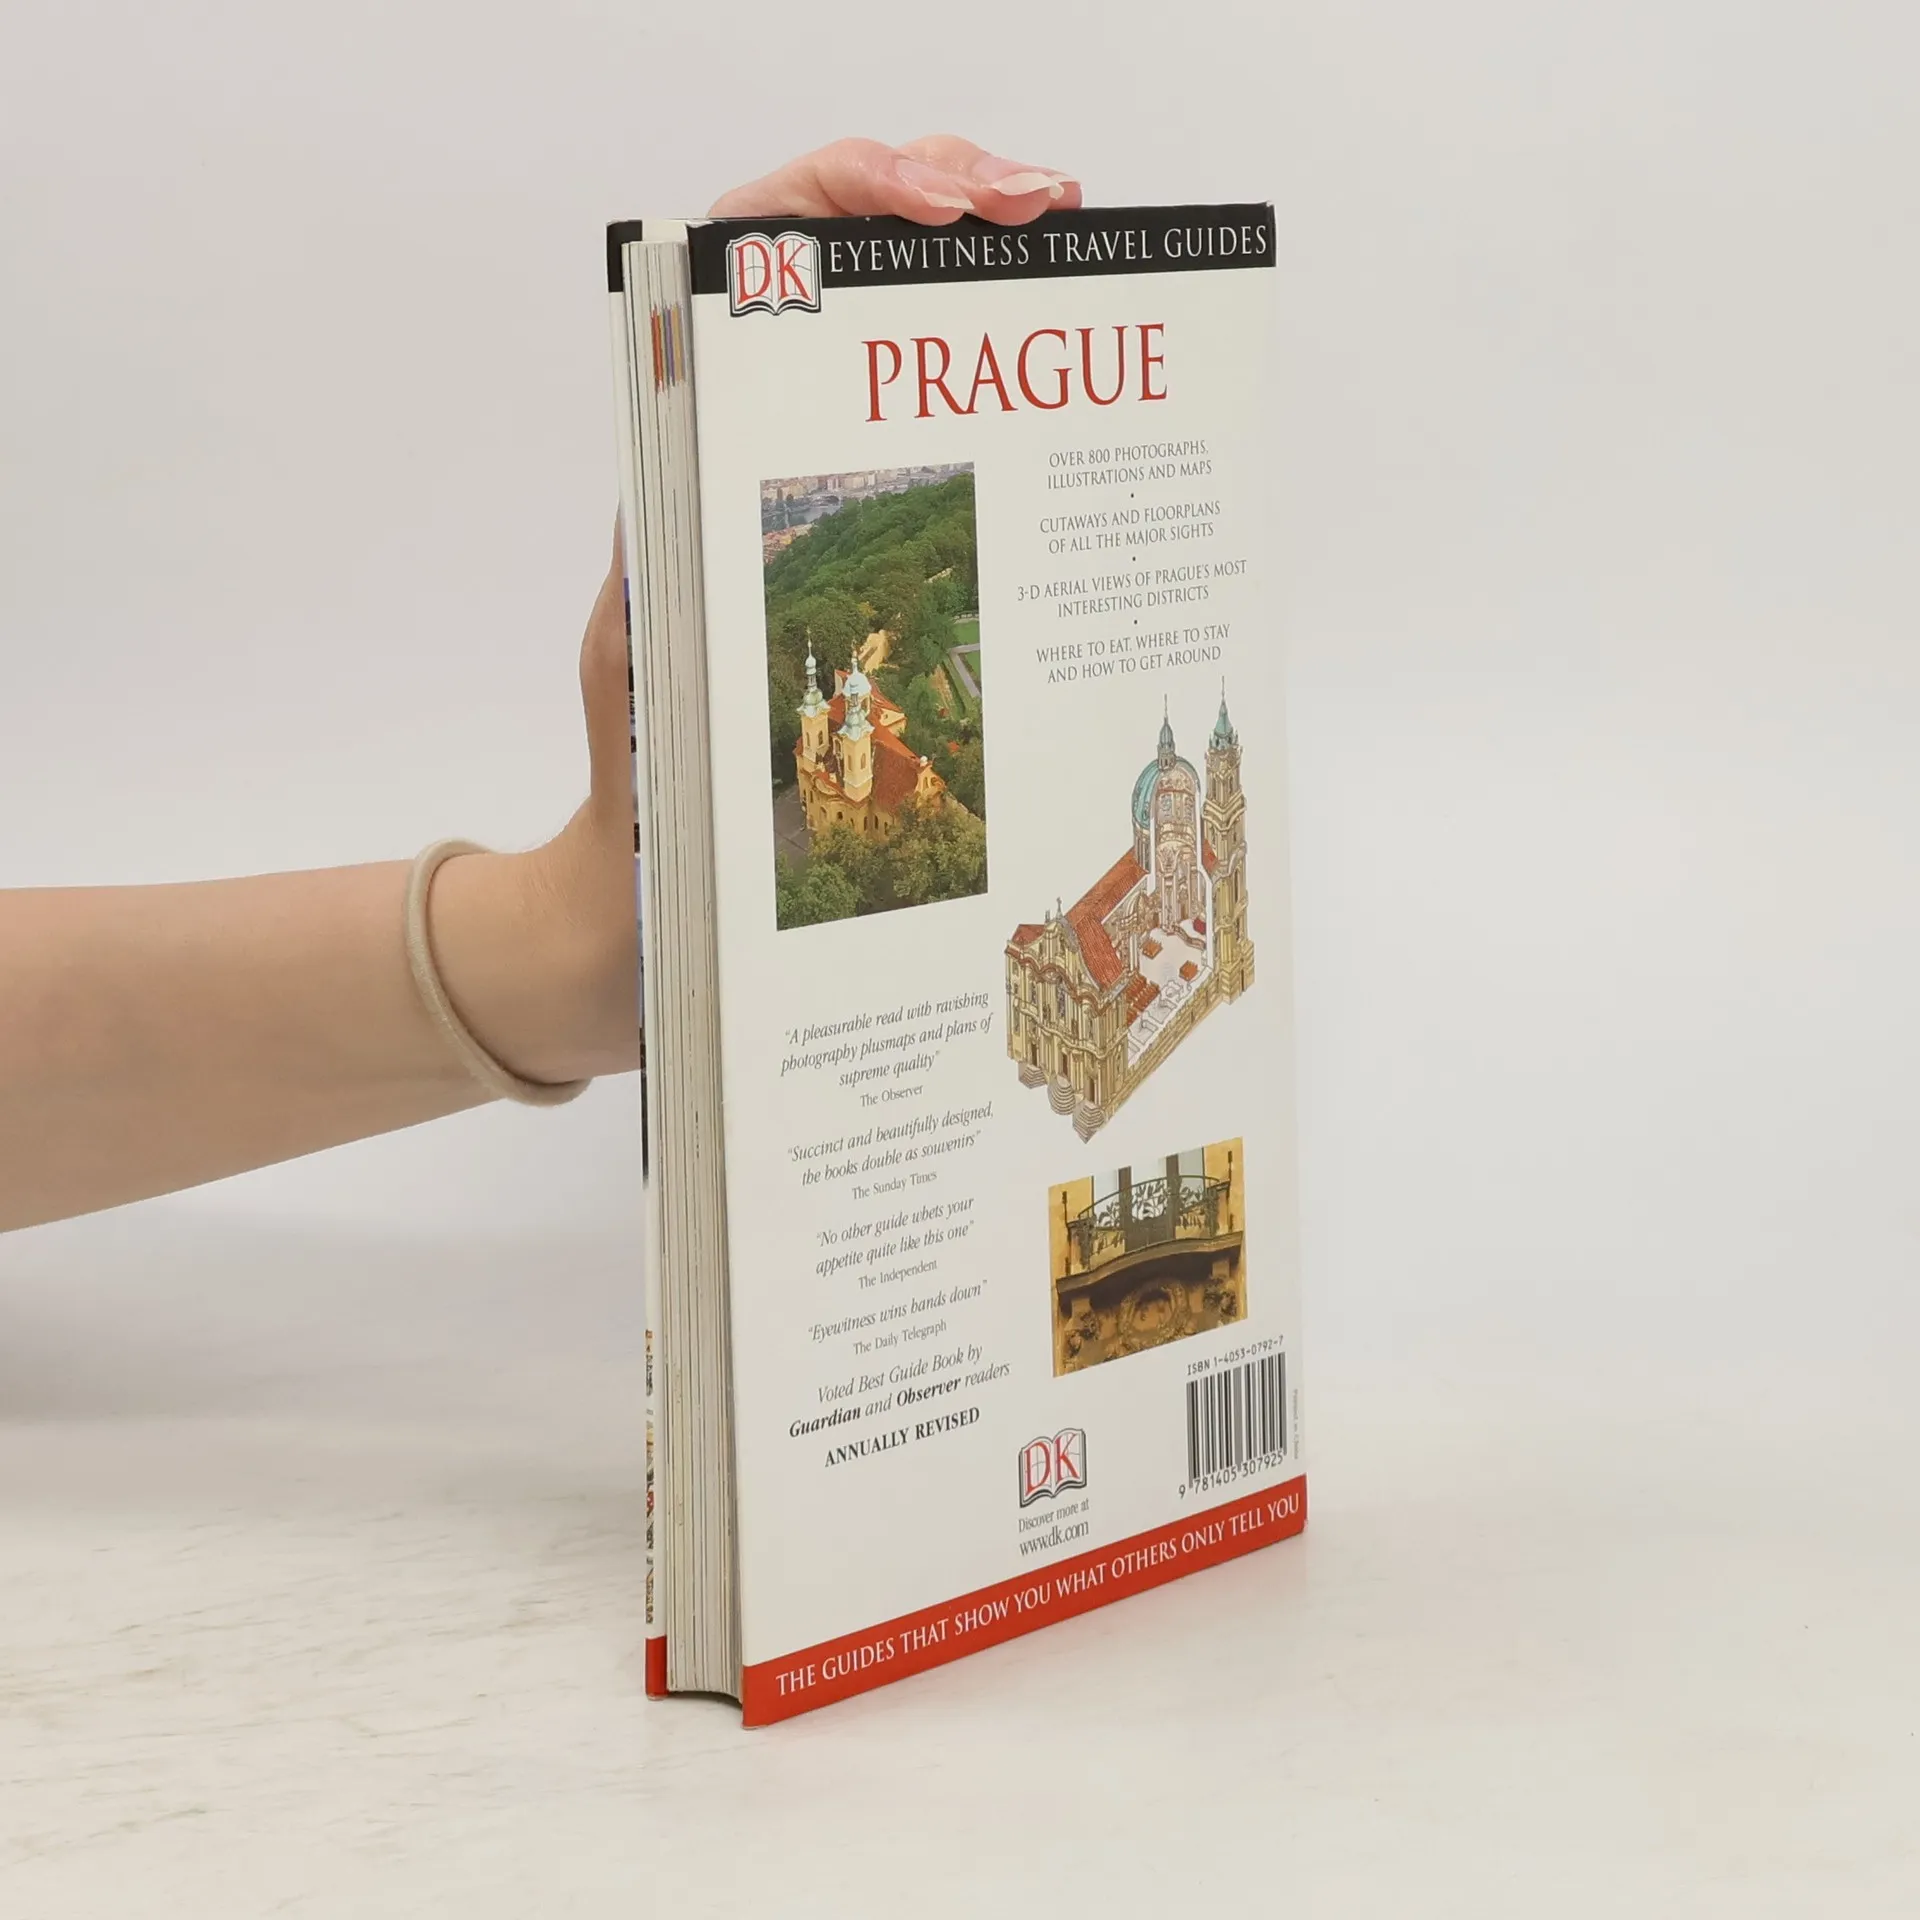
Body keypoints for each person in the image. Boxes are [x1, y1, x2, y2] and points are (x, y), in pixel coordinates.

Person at [0, 137, 1080, 1236]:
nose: (845, 738)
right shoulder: (846, 755)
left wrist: (607, 943)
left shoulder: (876, 748)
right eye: (842, 728)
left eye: (846, 727)